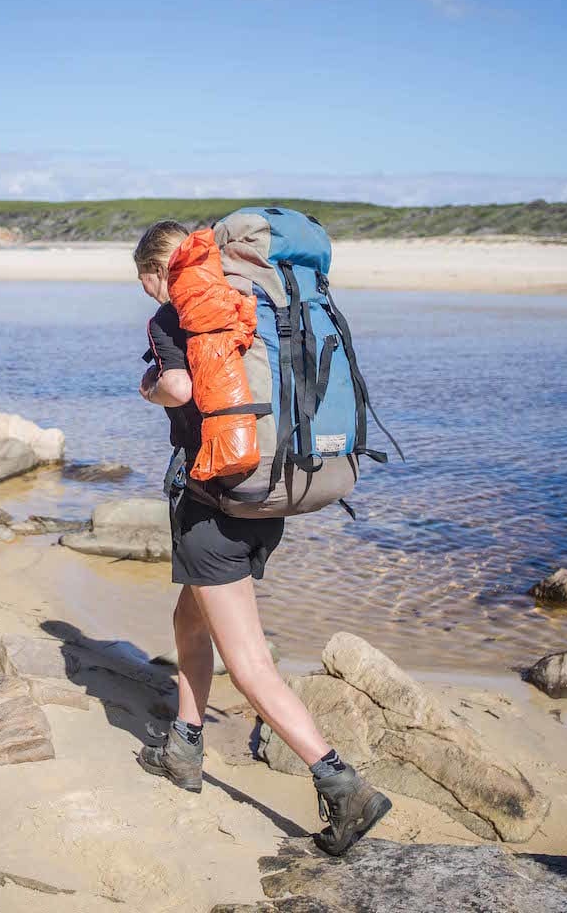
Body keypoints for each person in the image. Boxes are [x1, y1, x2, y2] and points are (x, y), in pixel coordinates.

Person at [131, 219, 392, 856]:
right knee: (190, 620)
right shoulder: (255, 302)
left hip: (210, 506)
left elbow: (178, 388)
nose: (146, 292)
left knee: (249, 665)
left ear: (156, 272)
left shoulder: (175, 316)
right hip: (266, 492)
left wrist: (147, 387)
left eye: (143, 281)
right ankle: (185, 746)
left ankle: (340, 782)